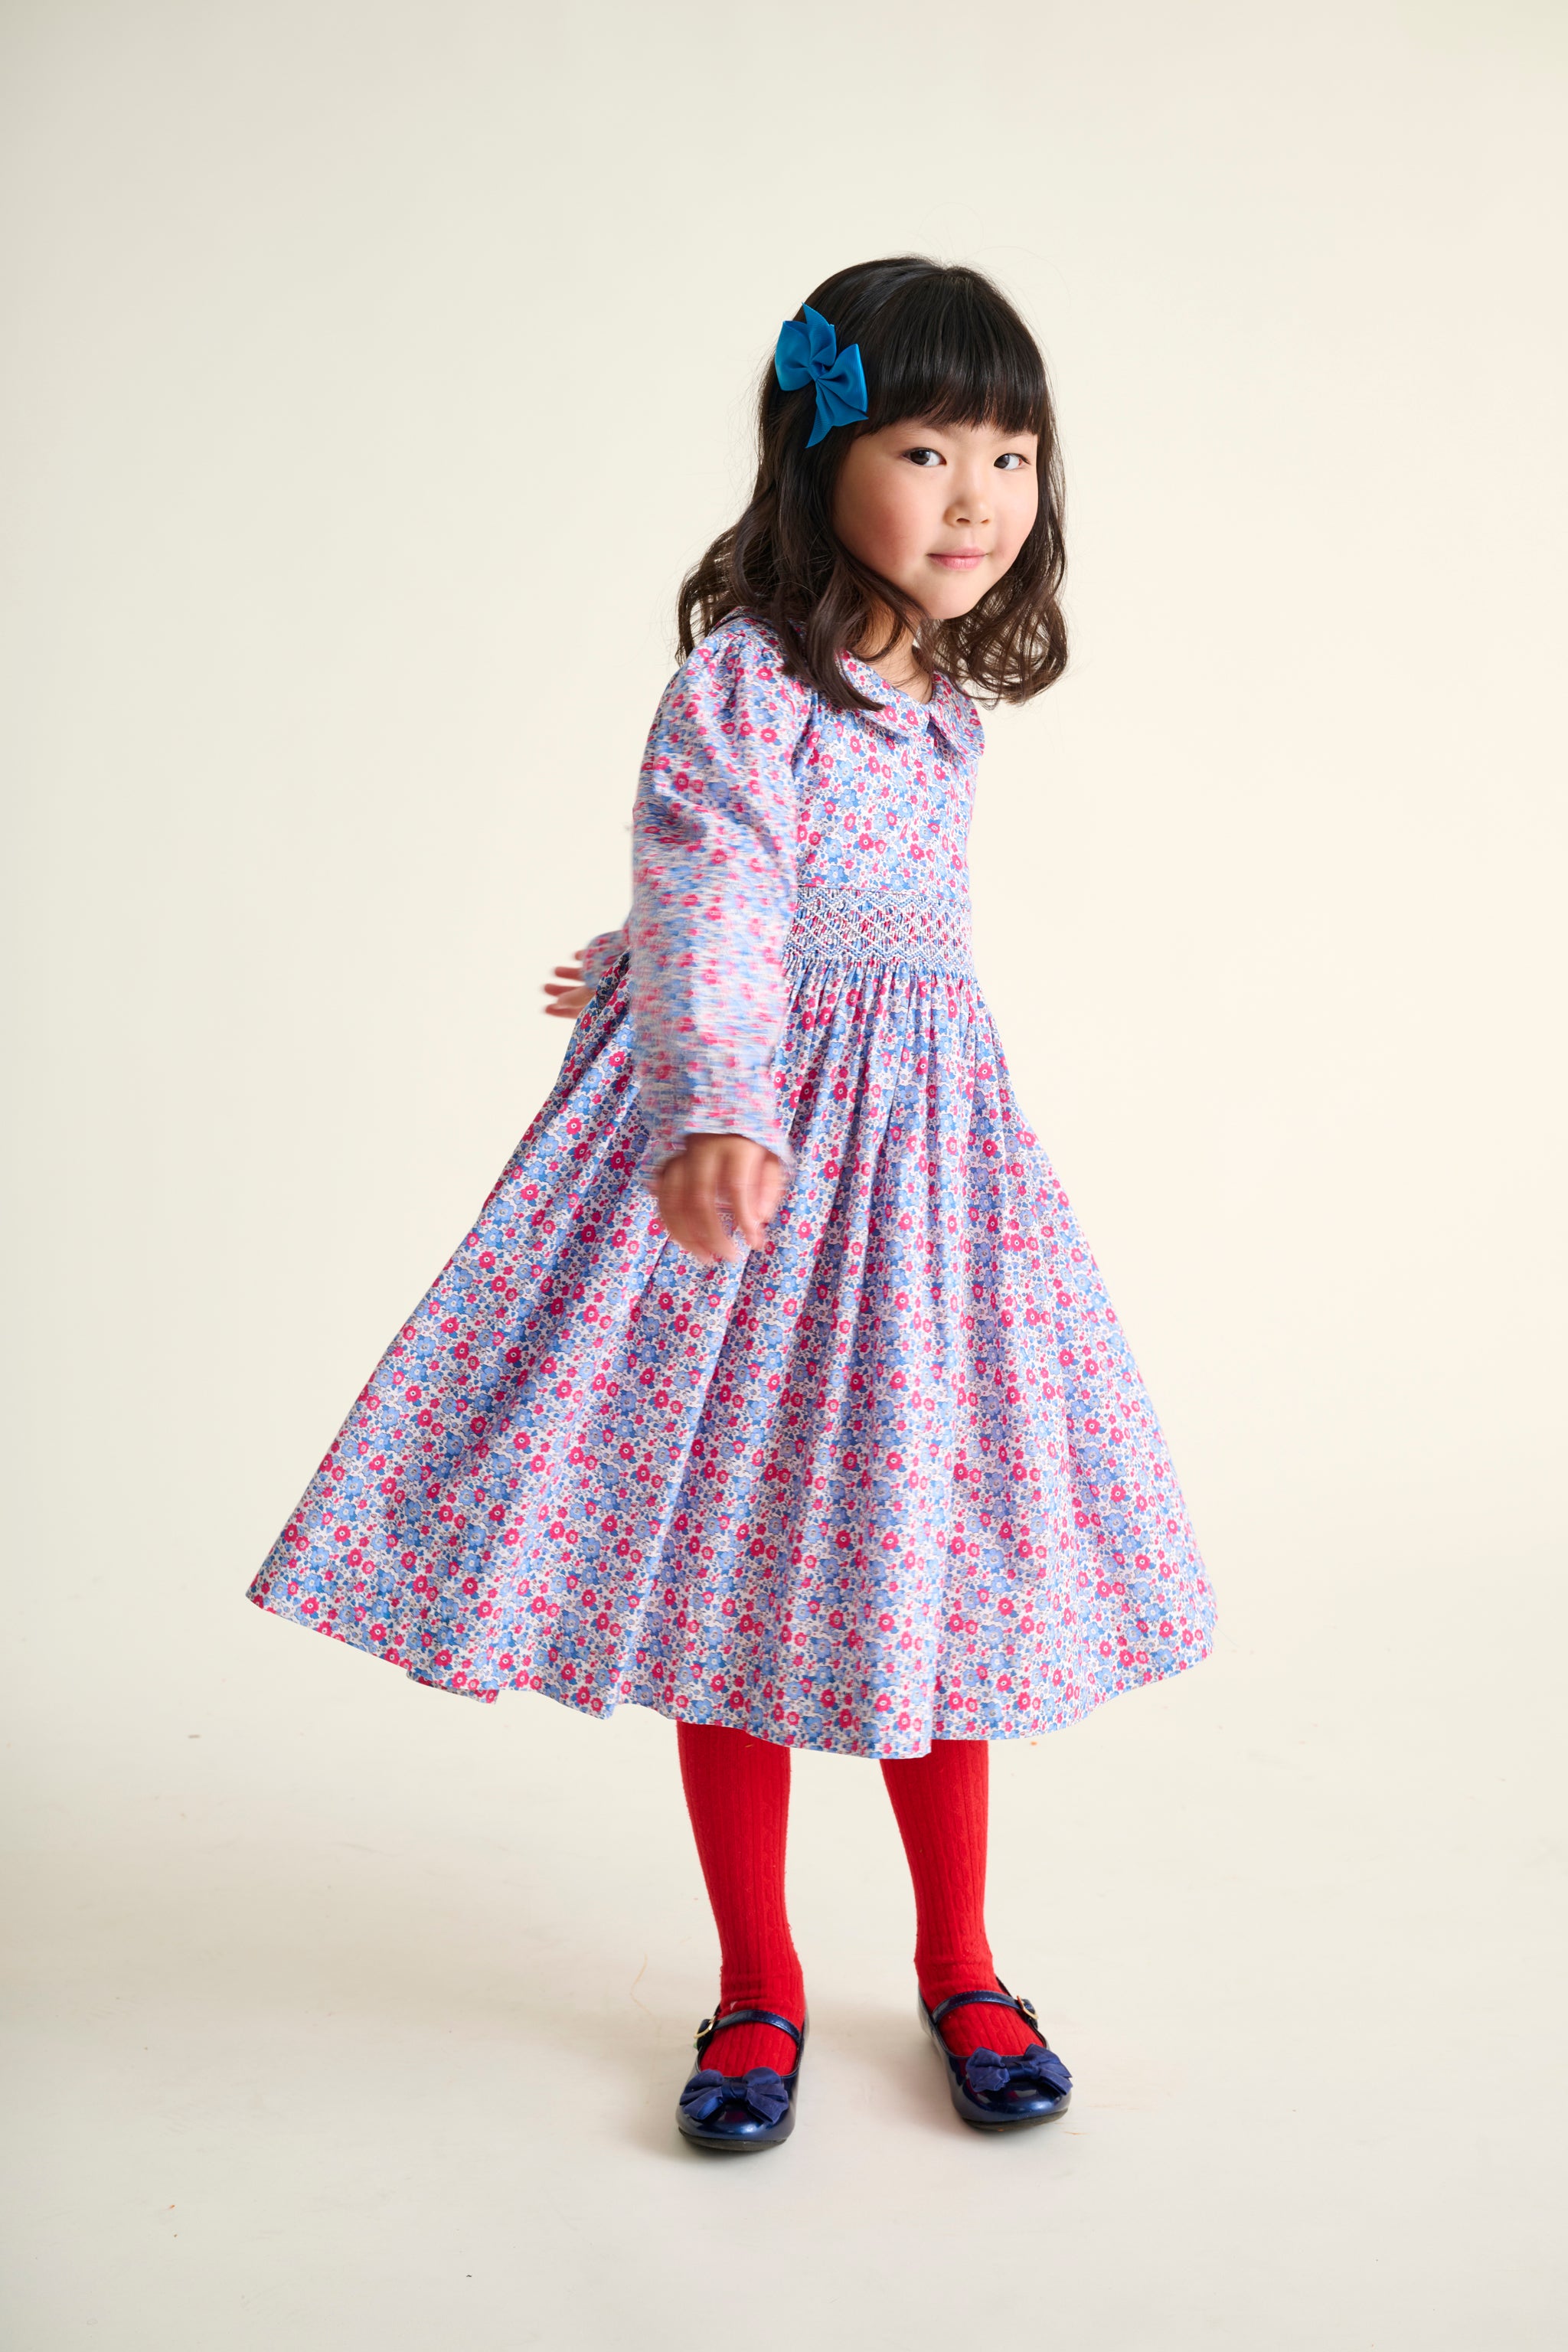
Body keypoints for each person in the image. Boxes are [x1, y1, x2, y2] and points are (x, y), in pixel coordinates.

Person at [250, 256, 1217, 2151]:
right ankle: (757, 1979)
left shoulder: (945, 710)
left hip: (923, 1179)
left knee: (930, 1545)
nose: (974, 497)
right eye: (925, 449)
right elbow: (718, 872)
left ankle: (961, 1960)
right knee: (737, 1569)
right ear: (817, 453)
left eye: (1010, 455)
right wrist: (703, 1085)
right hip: (762, 1161)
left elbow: (801, 894)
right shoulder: (744, 679)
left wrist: (640, 953)